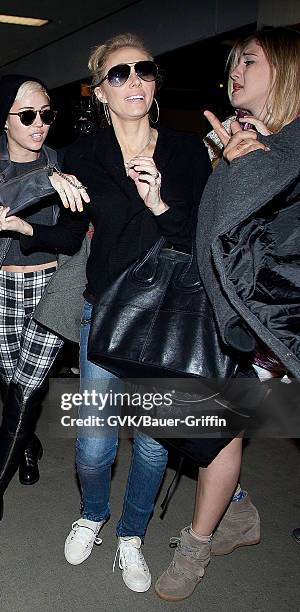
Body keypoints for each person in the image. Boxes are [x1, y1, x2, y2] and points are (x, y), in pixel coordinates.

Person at [0, 34, 213, 593]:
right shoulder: (84, 157)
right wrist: (24, 228)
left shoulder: (184, 152)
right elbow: (69, 233)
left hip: (165, 319)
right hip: (103, 313)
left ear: (155, 83)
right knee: (94, 444)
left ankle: (130, 536)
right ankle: (93, 514)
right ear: (101, 92)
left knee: (156, 442)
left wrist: (159, 201)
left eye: (144, 70)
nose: (134, 80)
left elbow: (199, 241)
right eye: (119, 74)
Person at [156, 26, 300, 601]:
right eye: (233, 62)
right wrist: (234, 163)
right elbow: (214, 234)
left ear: (286, 71)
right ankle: (216, 527)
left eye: (249, 61)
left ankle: (218, 526)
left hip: (283, 320)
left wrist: (253, 162)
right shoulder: (252, 142)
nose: (235, 71)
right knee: (208, 424)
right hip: (249, 322)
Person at [0, 75, 89, 546]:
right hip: (3, 289)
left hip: (55, 287)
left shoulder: (64, 161)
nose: (40, 124)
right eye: (28, 115)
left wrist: (57, 175)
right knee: (17, 384)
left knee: (28, 385)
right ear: (5, 120)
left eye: (47, 114)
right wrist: (45, 179)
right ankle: (26, 445)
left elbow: (73, 233)